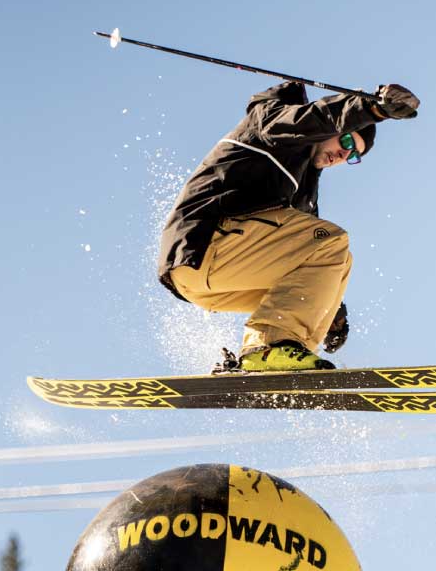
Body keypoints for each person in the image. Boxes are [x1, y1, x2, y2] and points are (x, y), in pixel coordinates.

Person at [157, 79, 420, 372]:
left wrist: (330, 308)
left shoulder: (301, 188)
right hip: (205, 245)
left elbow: (309, 264)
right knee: (332, 240)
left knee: (340, 262)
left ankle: (287, 357)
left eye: (354, 155)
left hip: (208, 285)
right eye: (346, 142)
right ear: (334, 126)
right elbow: (310, 119)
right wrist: (369, 108)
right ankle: (269, 347)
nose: (344, 155)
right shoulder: (272, 124)